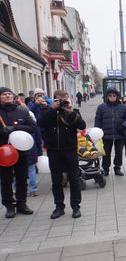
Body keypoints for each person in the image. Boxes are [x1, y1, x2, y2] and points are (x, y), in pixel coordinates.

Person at [37, 90, 86, 219]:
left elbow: (82, 125)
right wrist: (53, 109)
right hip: (53, 150)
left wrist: (70, 111)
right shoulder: (48, 111)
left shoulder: (72, 111)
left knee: (74, 179)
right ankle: (59, 207)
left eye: (65, 98)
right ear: (54, 100)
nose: (63, 101)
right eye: (59, 99)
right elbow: (40, 123)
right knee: (56, 180)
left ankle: (76, 207)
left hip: (70, 150)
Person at [0, 87, 36, 218]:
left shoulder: (21, 111)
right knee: (6, 180)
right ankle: (9, 206)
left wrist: (15, 128)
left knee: (22, 178)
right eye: (4, 94)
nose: (7, 96)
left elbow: (32, 127)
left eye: (9, 93)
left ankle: (22, 203)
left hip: (21, 150)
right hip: (4, 152)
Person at [95, 88, 126, 176]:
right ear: (107, 97)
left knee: (119, 152)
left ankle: (117, 167)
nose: (112, 97)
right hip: (106, 134)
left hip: (120, 134)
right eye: (110, 95)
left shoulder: (123, 107)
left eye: (114, 96)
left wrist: (123, 125)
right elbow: (98, 120)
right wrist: (97, 132)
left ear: (117, 97)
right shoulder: (101, 107)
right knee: (106, 152)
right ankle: (106, 168)